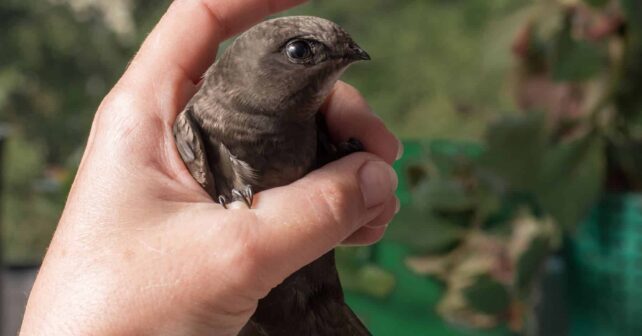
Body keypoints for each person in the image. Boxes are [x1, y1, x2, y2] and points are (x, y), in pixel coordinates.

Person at [19, 0, 400, 335]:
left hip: (318, 301)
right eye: (300, 51)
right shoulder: (197, 126)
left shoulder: (309, 121)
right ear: (253, 63)